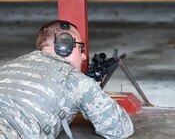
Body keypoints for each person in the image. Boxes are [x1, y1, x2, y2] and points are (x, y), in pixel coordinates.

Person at [0, 20, 134, 139]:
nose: (83, 57)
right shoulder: (75, 80)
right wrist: (91, 90)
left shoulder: (7, 66)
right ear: (65, 46)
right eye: (81, 49)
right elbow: (120, 128)